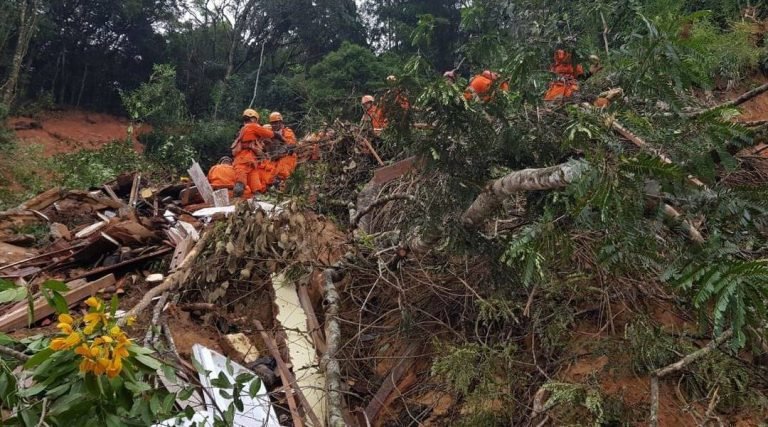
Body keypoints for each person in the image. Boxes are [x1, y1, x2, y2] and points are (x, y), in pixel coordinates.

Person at [230, 108, 283, 198]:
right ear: (254, 119)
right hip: (244, 159)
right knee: (240, 185)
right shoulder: (252, 126)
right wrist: (281, 138)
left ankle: (257, 202)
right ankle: (234, 207)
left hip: (251, 161)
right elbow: (268, 134)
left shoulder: (243, 129)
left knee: (256, 188)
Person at [269, 112, 298, 183]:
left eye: (276, 122)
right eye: (272, 123)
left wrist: (281, 139)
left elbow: (291, 145)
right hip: (272, 157)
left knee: (283, 166)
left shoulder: (287, 132)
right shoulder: (269, 132)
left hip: (286, 155)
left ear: (280, 122)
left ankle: (280, 179)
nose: (274, 125)